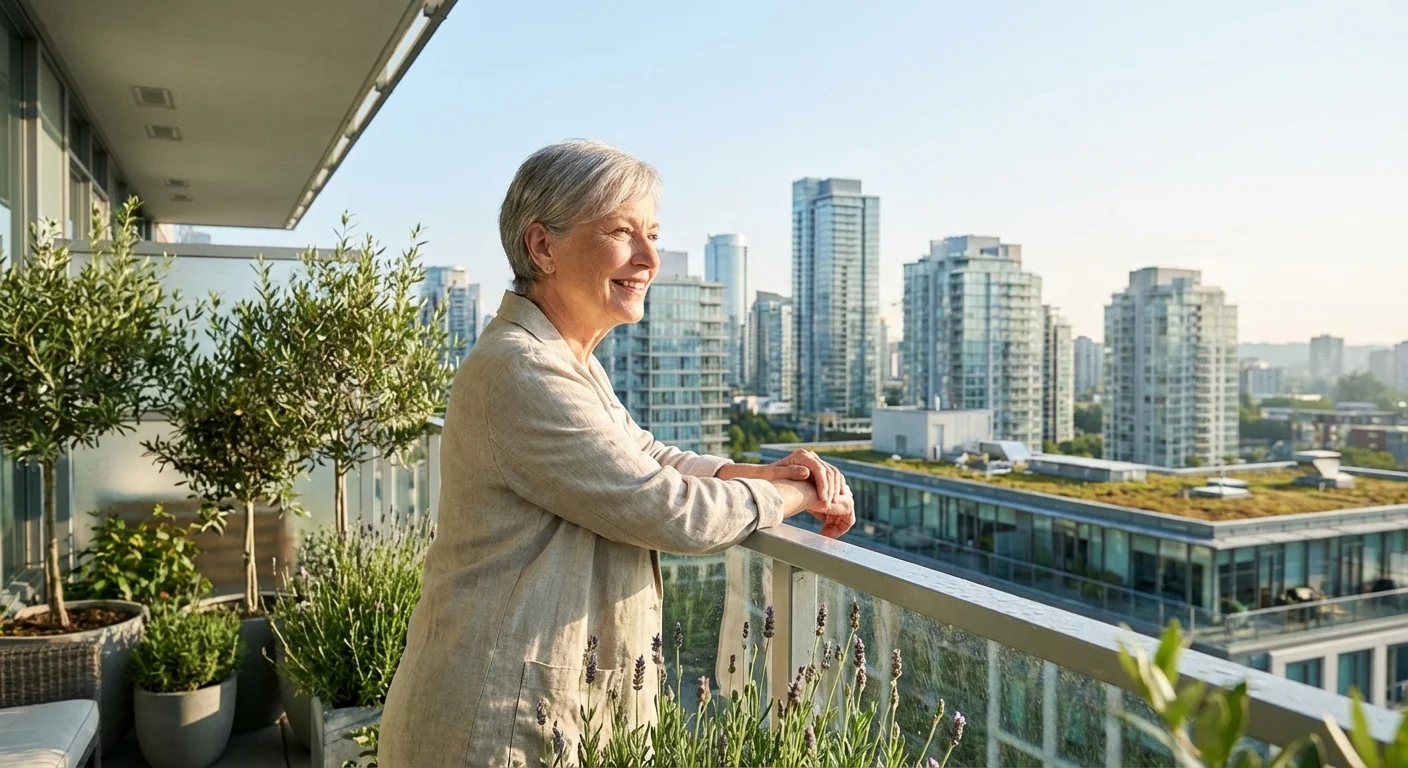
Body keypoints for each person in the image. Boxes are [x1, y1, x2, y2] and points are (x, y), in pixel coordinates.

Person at [378, 139, 854, 767]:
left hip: (531, 708)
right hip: (492, 722)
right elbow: (664, 508)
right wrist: (792, 495)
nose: (650, 258)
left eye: (652, 234)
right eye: (623, 232)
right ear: (542, 246)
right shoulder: (521, 370)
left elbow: (644, 455)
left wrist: (759, 471)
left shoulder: (566, 359)